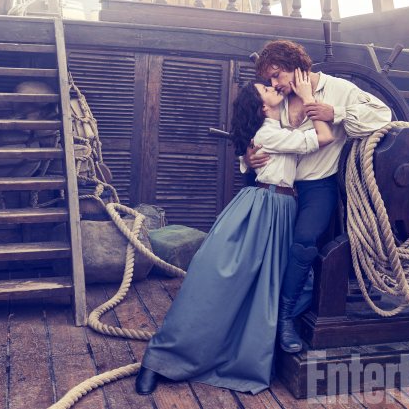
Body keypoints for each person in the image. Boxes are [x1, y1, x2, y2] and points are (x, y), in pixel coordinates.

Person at [135, 70, 335, 395]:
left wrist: (248, 156)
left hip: (282, 211)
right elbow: (323, 137)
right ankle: (159, 359)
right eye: (266, 88)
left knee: (275, 287)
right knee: (217, 279)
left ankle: (232, 346)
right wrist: (310, 99)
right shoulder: (269, 132)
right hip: (261, 208)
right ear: (262, 107)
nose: (273, 86)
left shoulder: (278, 128)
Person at [243, 40, 392, 354]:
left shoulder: (339, 89)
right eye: (269, 79)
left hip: (317, 185)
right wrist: (247, 157)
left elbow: (383, 115)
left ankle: (284, 319)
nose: (274, 83)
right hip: (274, 187)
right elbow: (251, 128)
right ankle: (251, 315)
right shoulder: (277, 98)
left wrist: (336, 112)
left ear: (297, 66)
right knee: (260, 249)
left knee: (303, 243)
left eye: (277, 75)